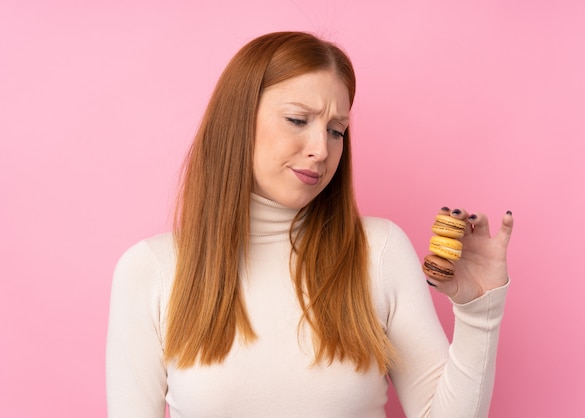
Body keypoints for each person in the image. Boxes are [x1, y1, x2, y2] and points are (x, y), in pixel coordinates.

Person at [106, 31, 514, 418]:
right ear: (237, 120)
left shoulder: (379, 251)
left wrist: (480, 311)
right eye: (299, 120)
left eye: (337, 130)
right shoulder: (151, 271)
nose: (322, 150)